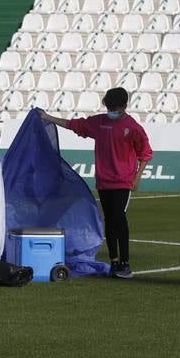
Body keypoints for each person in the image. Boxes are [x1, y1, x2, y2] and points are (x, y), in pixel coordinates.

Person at [40, 87, 153, 279]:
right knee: (109, 220)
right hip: (104, 180)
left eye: (114, 107)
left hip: (123, 181)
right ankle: (115, 261)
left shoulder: (133, 128)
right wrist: (48, 117)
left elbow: (145, 153)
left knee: (119, 217)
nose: (111, 110)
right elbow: (74, 125)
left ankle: (125, 263)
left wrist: (138, 176)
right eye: (109, 106)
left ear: (124, 106)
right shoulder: (99, 123)